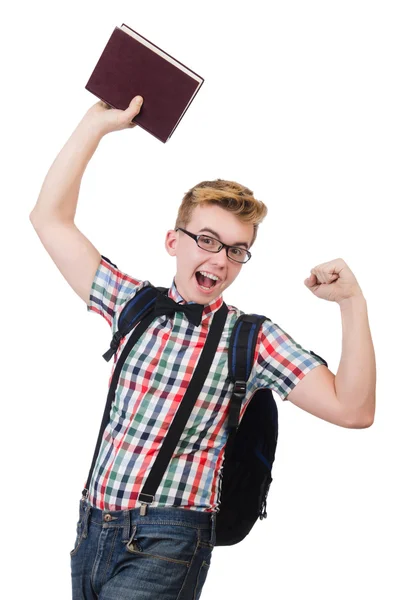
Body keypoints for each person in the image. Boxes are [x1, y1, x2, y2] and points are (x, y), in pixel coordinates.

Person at [29, 96, 376, 600]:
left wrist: (352, 302)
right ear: (174, 241)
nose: (221, 260)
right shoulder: (133, 304)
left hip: (171, 538)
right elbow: (49, 219)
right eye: (208, 241)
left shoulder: (252, 338)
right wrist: (94, 126)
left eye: (237, 250)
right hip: (91, 529)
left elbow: (353, 409)